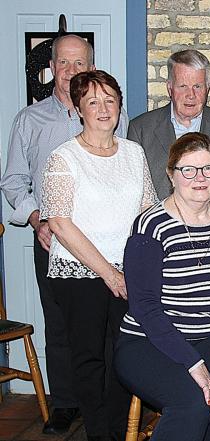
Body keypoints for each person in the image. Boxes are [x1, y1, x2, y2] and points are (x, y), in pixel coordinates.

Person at [0, 34, 128, 435]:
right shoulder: (30, 120)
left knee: (108, 334)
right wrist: (39, 218)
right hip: (55, 242)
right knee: (60, 327)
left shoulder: (114, 117)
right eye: (64, 63)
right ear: (52, 67)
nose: (72, 71)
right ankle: (65, 403)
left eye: (80, 63)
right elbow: (14, 182)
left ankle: (105, 406)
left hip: (108, 248)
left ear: (91, 67)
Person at [115, 133, 210, 441]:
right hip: (149, 342)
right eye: (188, 169)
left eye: (209, 168)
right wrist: (193, 363)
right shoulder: (150, 226)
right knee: (192, 402)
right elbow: (144, 307)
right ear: (171, 175)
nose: (200, 178)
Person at [39, 70, 157, 441]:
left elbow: (147, 211)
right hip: (80, 275)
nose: (103, 108)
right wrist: (108, 273)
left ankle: (122, 430)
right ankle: (98, 435)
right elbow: (59, 223)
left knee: (123, 357)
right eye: (92, 101)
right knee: (89, 359)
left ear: (120, 106)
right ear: (78, 108)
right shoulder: (64, 157)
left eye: (110, 100)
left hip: (127, 273)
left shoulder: (134, 153)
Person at [128, 49, 210, 200]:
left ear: (208, 88)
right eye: (183, 86)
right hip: (160, 221)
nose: (191, 95)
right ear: (170, 88)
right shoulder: (141, 129)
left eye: (197, 86)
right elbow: (133, 191)